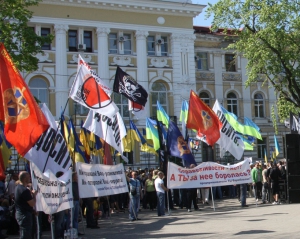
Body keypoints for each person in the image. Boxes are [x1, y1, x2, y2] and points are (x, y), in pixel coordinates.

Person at [14, 171, 37, 239]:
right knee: (26, 235)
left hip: (20, 213)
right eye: (28, 177)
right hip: (24, 216)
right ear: (24, 179)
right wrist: (34, 195)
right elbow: (32, 203)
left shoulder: (18, 187)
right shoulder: (24, 190)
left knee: (24, 233)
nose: (30, 178)